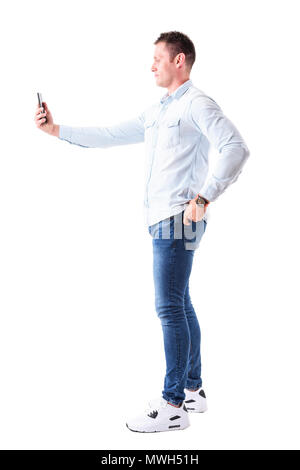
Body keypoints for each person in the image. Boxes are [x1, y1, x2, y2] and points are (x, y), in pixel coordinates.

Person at [35, 31, 250, 433]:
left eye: (158, 58)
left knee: (169, 306)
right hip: (164, 220)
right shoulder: (158, 111)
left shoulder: (197, 104)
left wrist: (204, 197)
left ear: (179, 60)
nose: (151, 65)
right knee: (180, 301)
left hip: (178, 220)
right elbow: (111, 135)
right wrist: (56, 130)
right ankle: (192, 390)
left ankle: (172, 406)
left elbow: (235, 147)